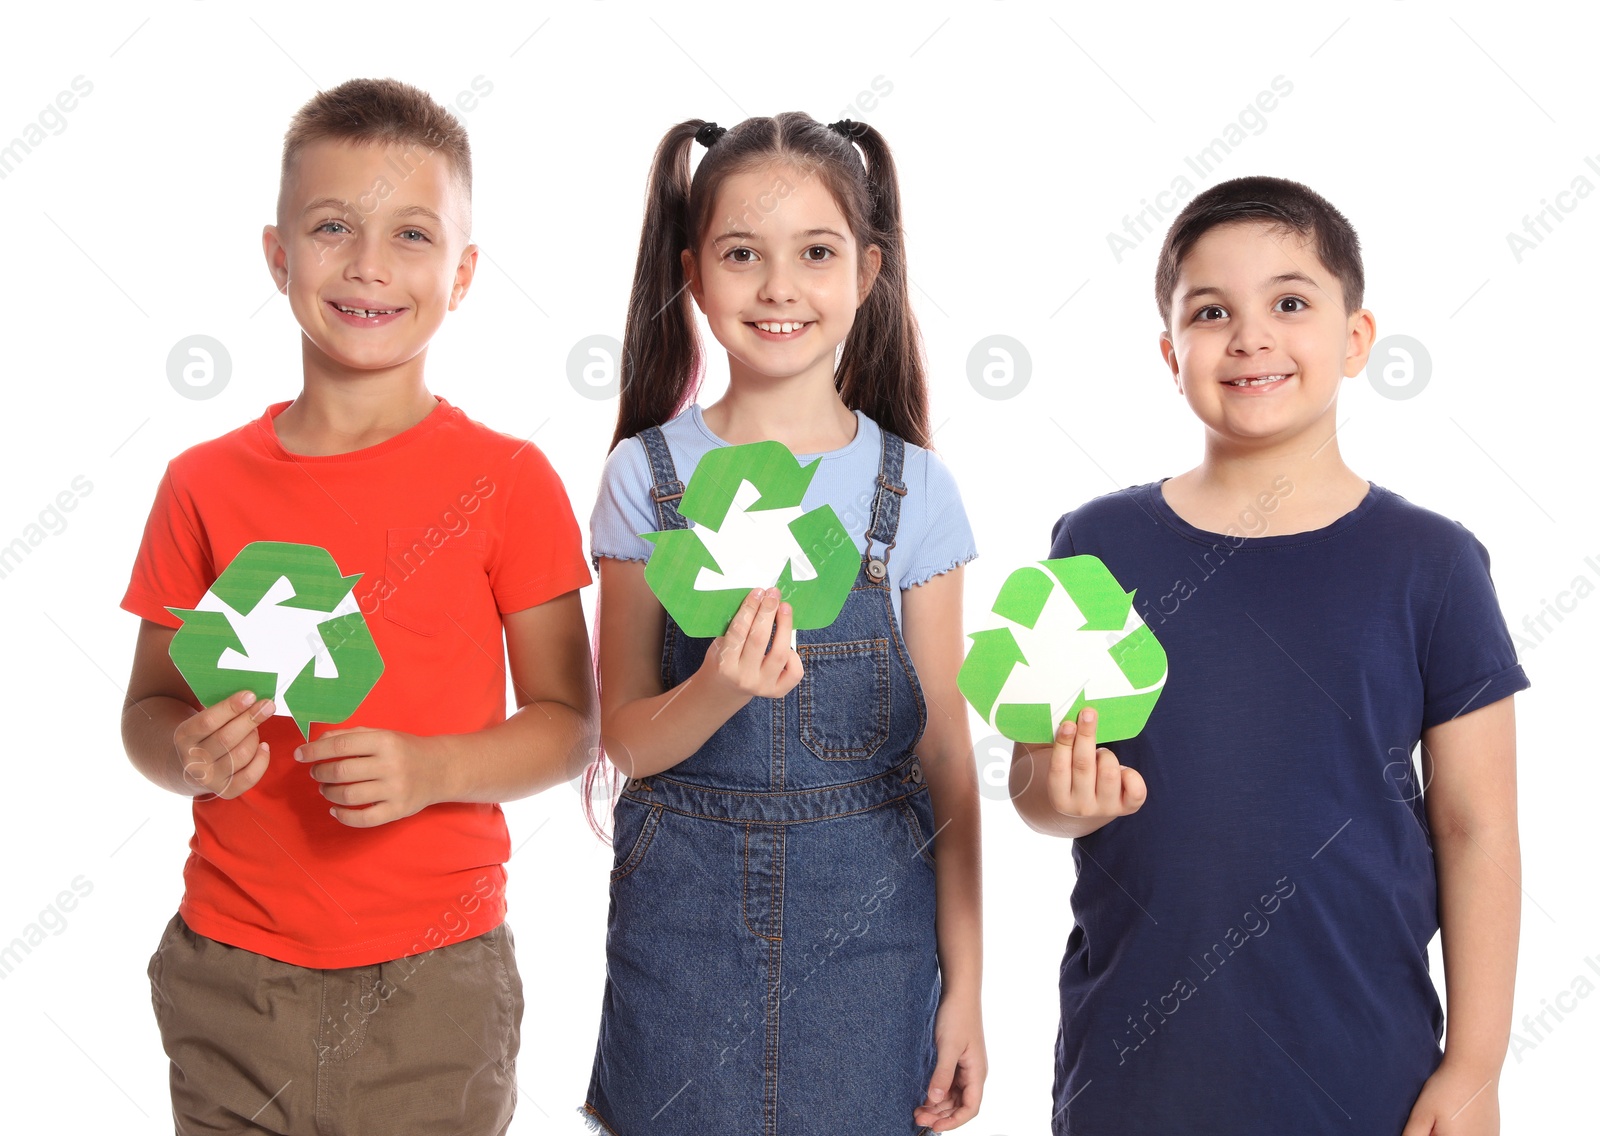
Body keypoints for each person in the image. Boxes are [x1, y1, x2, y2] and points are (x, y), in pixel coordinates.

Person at [118, 78, 595, 1134]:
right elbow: (147, 707)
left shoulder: (507, 480)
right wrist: (188, 754)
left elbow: (568, 724)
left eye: (411, 234)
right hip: (230, 976)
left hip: (436, 987)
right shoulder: (204, 484)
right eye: (331, 226)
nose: (369, 264)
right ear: (278, 255)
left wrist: (433, 769)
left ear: (463, 273)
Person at [1010, 175, 1528, 1135]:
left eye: (1290, 303)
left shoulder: (1432, 561)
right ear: (1172, 354)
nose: (1250, 336)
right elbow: (1036, 780)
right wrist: (1059, 796)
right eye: (1212, 312)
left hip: (1367, 1074)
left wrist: (1478, 1066)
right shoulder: (1096, 545)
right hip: (1134, 1070)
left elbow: (1476, 827)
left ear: (1356, 338)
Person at [580, 114, 985, 1135]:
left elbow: (945, 754)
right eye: (740, 254)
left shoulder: (914, 490)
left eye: (815, 252)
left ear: (867, 271)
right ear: (692, 271)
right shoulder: (647, 477)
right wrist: (718, 685)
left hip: (872, 941)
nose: (778, 286)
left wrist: (967, 989)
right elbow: (624, 733)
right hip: (684, 936)